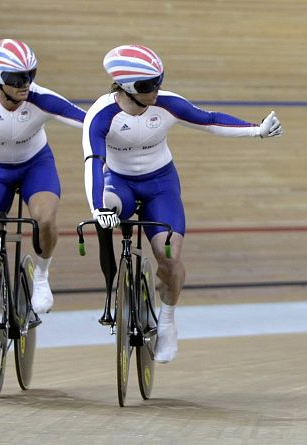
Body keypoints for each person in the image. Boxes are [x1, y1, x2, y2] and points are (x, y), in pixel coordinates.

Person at [83, 44, 282, 364]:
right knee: (104, 210)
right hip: (118, 183)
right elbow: (93, 163)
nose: (158, 89)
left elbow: (209, 120)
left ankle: (167, 320)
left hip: (160, 185)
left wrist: (256, 130)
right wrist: (97, 210)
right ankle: (113, 289)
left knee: (170, 260)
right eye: (150, 85)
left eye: (160, 80)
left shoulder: (166, 104)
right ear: (129, 88)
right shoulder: (101, 116)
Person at [0, 39, 86, 359]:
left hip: (35, 165)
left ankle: (42, 277)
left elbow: (88, 122)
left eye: (31, 75)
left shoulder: (41, 98)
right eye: (18, 80)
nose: (26, 85)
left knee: (45, 218)